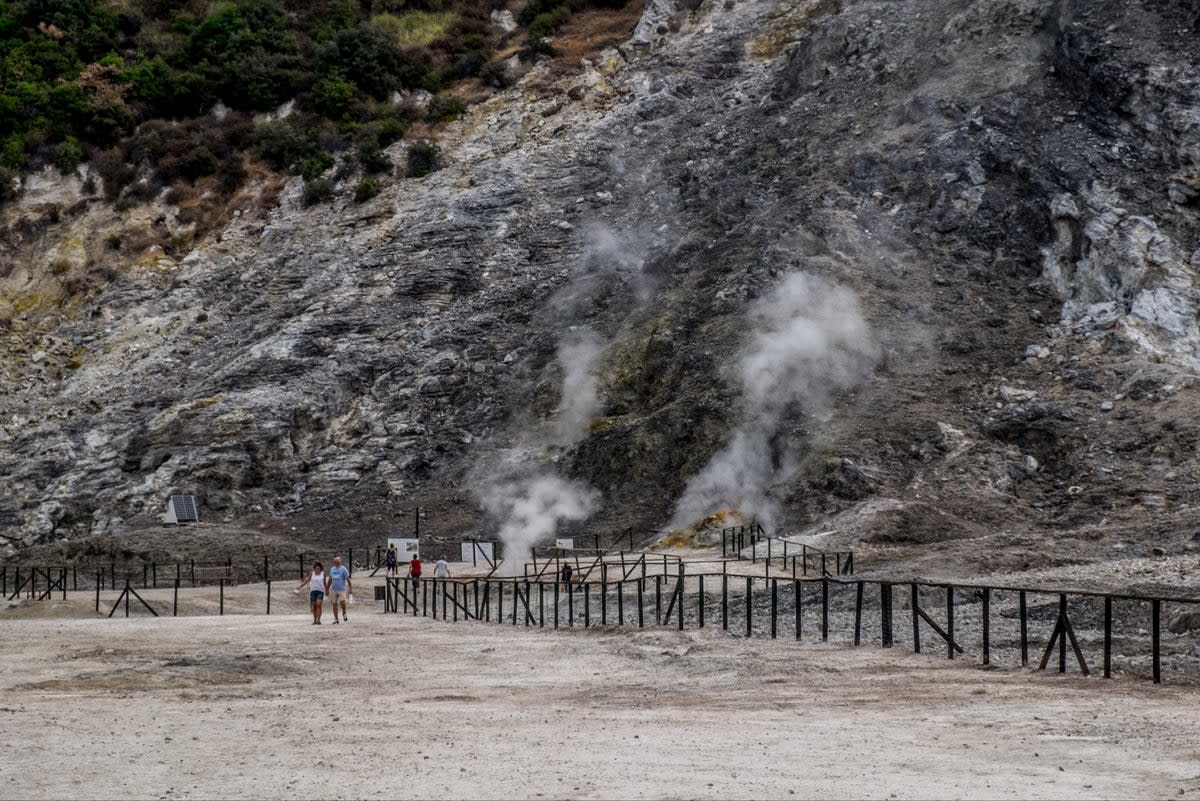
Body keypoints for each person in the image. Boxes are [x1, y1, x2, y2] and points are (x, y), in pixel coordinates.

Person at [325, 555, 352, 624]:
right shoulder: (332, 569)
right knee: (334, 604)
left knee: (342, 602)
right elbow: (330, 579)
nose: (336, 562)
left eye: (337, 561)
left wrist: (350, 587)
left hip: (342, 589)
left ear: (340, 562)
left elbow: (347, 579)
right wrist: (327, 589)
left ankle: (344, 612)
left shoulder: (343, 569)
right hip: (333, 589)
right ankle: (336, 619)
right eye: (335, 561)